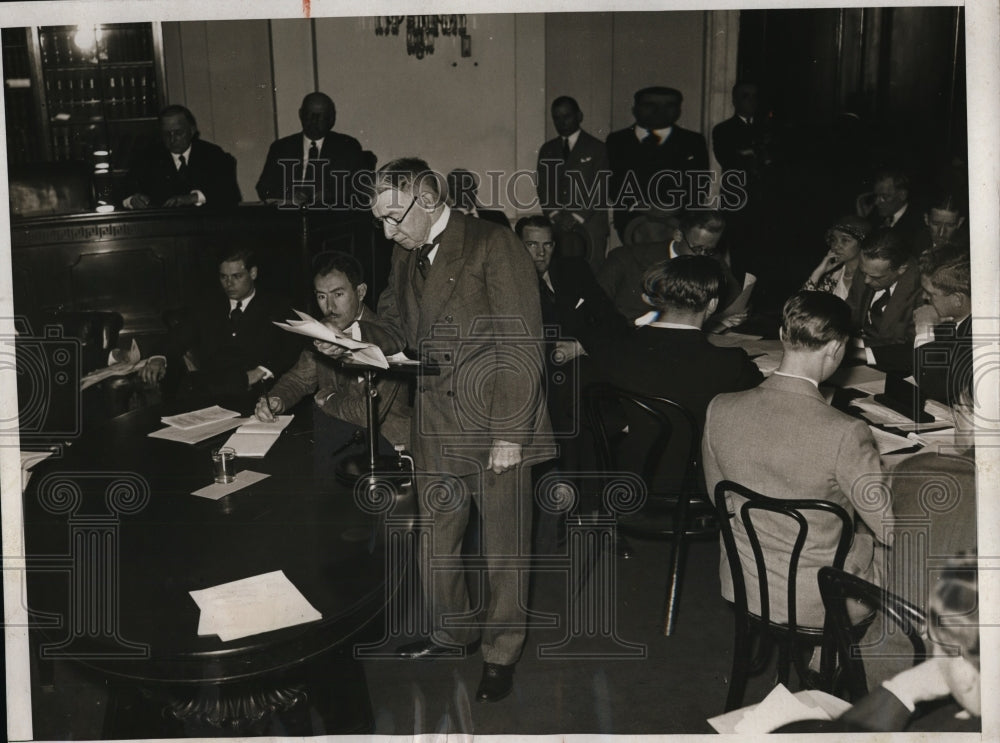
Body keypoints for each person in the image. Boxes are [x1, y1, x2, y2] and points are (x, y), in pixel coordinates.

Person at [364, 158, 552, 703]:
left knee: (504, 550)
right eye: (380, 220)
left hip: (495, 422)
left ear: (427, 200)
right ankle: (454, 633)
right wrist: (354, 337)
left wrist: (510, 435)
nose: (387, 232)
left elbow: (522, 342)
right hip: (436, 422)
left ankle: (501, 652)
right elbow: (394, 325)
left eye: (393, 218)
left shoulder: (495, 245)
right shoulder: (405, 251)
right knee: (438, 542)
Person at [702, 291, 891, 628]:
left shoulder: (720, 407)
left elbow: (723, 502)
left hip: (744, 584)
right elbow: (889, 529)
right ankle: (832, 657)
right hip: (820, 600)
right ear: (836, 349)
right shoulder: (847, 431)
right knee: (913, 557)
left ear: (782, 335)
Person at [593, 256, 763, 495]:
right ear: (712, 305)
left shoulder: (614, 350)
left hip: (624, 481)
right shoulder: (730, 364)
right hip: (695, 488)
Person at [773, 557, 981, 733]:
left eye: (936, 641)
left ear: (965, 676)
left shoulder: (936, 726)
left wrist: (904, 688)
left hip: (875, 661)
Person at [253, 252, 410, 461]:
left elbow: (366, 414)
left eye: (338, 294)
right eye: (321, 296)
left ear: (361, 292)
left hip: (388, 450)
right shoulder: (322, 330)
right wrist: (276, 399)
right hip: (340, 442)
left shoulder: (385, 337)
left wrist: (327, 398)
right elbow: (299, 379)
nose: (330, 307)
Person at [140, 248, 297, 404]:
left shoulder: (277, 307)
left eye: (237, 276)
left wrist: (262, 371)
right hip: (211, 390)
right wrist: (158, 358)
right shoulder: (208, 306)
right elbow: (177, 336)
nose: (229, 284)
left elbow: (291, 348)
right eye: (223, 277)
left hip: (256, 391)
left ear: (253, 273)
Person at [599, 209, 748, 327]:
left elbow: (735, 301)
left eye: (709, 250)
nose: (702, 256)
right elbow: (596, 310)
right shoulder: (624, 258)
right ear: (678, 235)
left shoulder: (712, 259)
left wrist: (726, 318)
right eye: (697, 248)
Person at [605, 86, 709, 241]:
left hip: (679, 221)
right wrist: (639, 205)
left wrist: (670, 208)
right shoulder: (617, 141)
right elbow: (612, 182)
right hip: (633, 219)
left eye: (669, 105)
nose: (660, 111)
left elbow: (699, 184)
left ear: (679, 110)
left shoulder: (692, 141)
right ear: (635, 109)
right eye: (650, 105)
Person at [535, 96, 611, 272]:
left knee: (592, 274)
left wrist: (576, 216)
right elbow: (543, 186)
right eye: (556, 118)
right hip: (558, 225)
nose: (562, 122)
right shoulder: (547, 149)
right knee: (560, 274)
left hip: (590, 224)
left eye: (567, 116)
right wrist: (555, 214)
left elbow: (601, 188)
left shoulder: (597, 148)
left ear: (579, 116)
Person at [255, 92, 367, 209]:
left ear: (331, 119)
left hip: (332, 214)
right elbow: (264, 188)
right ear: (300, 115)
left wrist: (330, 196)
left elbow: (361, 186)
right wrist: (290, 196)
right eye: (309, 115)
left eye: (320, 116)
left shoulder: (347, 147)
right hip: (290, 215)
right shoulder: (281, 148)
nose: (314, 121)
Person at [123, 105, 240, 209]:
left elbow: (231, 194)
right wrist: (132, 199)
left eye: (178, 133)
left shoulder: (214, 155)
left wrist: (194, 198)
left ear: (192, 130)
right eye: (166, 134)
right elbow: (123, 191)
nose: (172, 139)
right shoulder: (146, 158)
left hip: (205, 224)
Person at [846, 228, 924, 373]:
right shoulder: (868, 269)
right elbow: (850, 311)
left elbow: (907, 346)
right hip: (857, 360)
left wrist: (856, 345)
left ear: (901, 269)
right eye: (863, 272)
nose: (866, 280)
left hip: (895, 368)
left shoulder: (923, 291)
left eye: (876, 277)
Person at [912, 244, 972, 405]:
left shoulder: (976, 334)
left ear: (957, 299)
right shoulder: (959, 320)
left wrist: (924, 328)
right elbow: (915, 352)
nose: (924, 297)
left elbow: (935, 386)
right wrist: (863, 353)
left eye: (931, 293)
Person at [801, 215, 870, 299]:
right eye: (834, 240)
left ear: (862, 243)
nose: (836, 246)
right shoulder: (833, 277)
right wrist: (817, 273)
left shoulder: (871, 277)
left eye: (845, 240)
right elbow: (802, 304)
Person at [856, 168, 923, 246]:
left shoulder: (918, 223)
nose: (877, 202)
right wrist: (861, 219)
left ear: (902, 195)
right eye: (876, 196)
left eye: (884, 196)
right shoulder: (873, 217)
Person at [445, 168, 510, 228]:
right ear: (450, 193)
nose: (463, 189)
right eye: (457, 186)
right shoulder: (444, 222)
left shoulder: (497, 218)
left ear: (475, 188)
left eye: (467, 184)